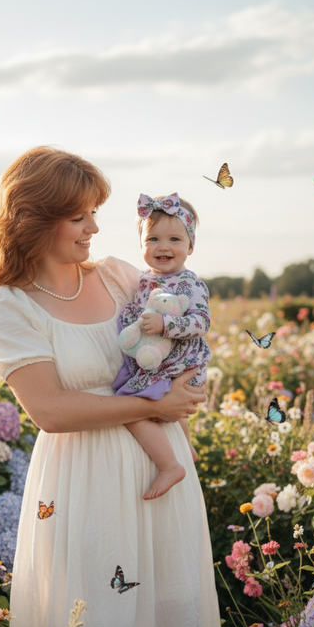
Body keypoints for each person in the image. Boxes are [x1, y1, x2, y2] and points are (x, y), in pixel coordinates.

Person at [0, 147, 227, 627]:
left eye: (94, 214)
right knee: (97, 604)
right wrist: (157, 407)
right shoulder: (8, 304)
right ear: (36, 219)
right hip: (83, 474)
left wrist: (186, 387)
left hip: (159, 459)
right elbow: (51, 410)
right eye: (80, 216)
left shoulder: (116, 275)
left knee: (164, 589)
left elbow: (175, 338)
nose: (94, 228)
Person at [113, 192, 211, 500]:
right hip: (161, 359)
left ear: (190, 246)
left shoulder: (190, 284)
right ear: (141, 245)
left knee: (129, 407)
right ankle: (187, 449)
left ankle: (170, 465)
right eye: (153, 239)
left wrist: (166, 326)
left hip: (179, 363)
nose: (163, 247)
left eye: (174, 239)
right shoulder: (144, 279)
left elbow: (201, 322)